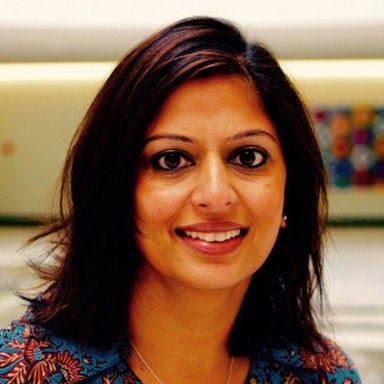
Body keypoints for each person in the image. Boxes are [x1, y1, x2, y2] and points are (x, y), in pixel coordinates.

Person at [0, 16, 361, 383]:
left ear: (291, 190)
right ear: (115, 190)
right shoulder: (23, 372)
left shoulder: (321, 374)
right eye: (171, 160)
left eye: (248, 157)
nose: (216, 195)